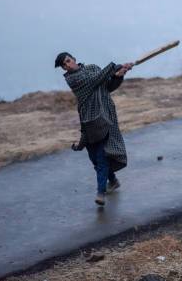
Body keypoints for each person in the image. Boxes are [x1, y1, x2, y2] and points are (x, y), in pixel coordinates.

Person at [55, 52, 134, 206]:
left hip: (104, 117)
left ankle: (101, 193)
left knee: (102, 157)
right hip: (89, 122)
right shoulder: (72, 79)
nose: (67, 65)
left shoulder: (92, 68)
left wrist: (118, 75)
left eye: (68, 61)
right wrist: (115, 67)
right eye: (64, 65)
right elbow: (94, 81)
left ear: (74, 58)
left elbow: (107, 86)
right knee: (95, 160)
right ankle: (113, 181)